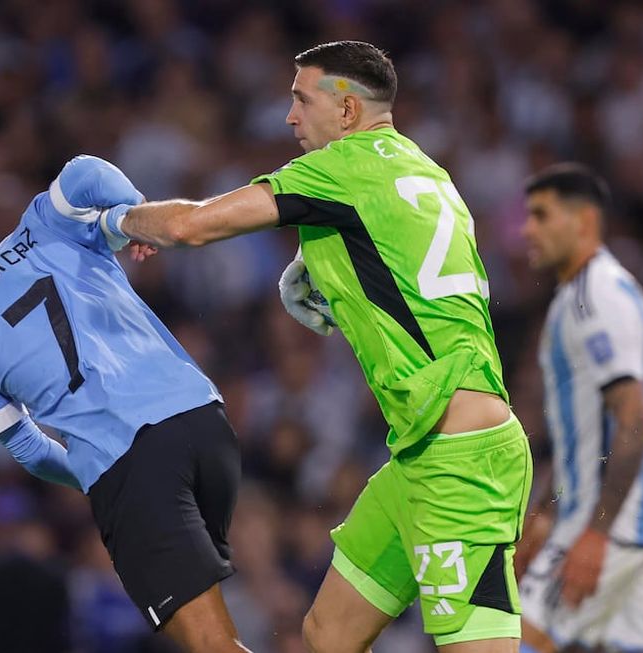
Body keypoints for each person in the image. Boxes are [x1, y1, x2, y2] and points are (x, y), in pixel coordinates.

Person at [108, 40, 533, 653]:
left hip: (460, 461)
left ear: (347, 110)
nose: (290, 117)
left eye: (301, 100)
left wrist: (113, 220)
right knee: (329, 633)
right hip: (421, 448)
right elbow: (408, 268)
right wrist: (325, 268)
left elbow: (188, 225)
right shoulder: (425, 171)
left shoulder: (341, 167)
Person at [0, 155, 251, 653]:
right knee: (199, 632)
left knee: (209, 642)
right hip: (207, 424)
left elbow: (27, 447)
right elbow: (86, 171)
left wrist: (89, 476)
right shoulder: (38, 228)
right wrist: (136, 212)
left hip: (129, 458)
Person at [517, 163, 643, 653]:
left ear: (584, 221)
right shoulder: (586, 294)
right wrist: (545, 511)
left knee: (501, 636)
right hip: (642, 516)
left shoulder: (596, 298)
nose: (527, 229)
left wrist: (596, 532)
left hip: (612, 522)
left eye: (541, 216)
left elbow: (635, 421)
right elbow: (586, 438)